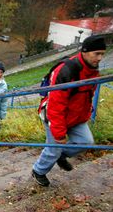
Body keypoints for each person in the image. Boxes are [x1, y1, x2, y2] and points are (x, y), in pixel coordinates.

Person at [32, 35, 106, 187]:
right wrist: (59, 134)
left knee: (86, 142)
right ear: (85, 51)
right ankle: (38, 171)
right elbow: (55, 105)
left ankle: (61, 155)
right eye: (96, 53)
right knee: (53, 149)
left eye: (102, 54)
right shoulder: (66, 71)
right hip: (55, 116)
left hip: (76, 116)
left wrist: (86, 113)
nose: (99, 58)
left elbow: (88, 94)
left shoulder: (92, 69)